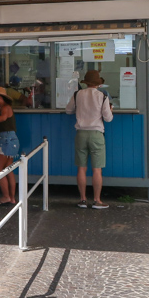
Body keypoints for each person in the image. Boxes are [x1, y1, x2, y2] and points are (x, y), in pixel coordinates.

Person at [65, 69, 113, 209]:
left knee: (81, 168)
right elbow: (108, 118)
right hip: (96, 134)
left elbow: (68, 110)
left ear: (86, 83)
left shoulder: (78, 94)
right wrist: (110, 110)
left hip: (81, 133)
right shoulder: (102, 96)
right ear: (98, 83)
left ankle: (83, 200)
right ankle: (97, 200)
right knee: (97, 169)